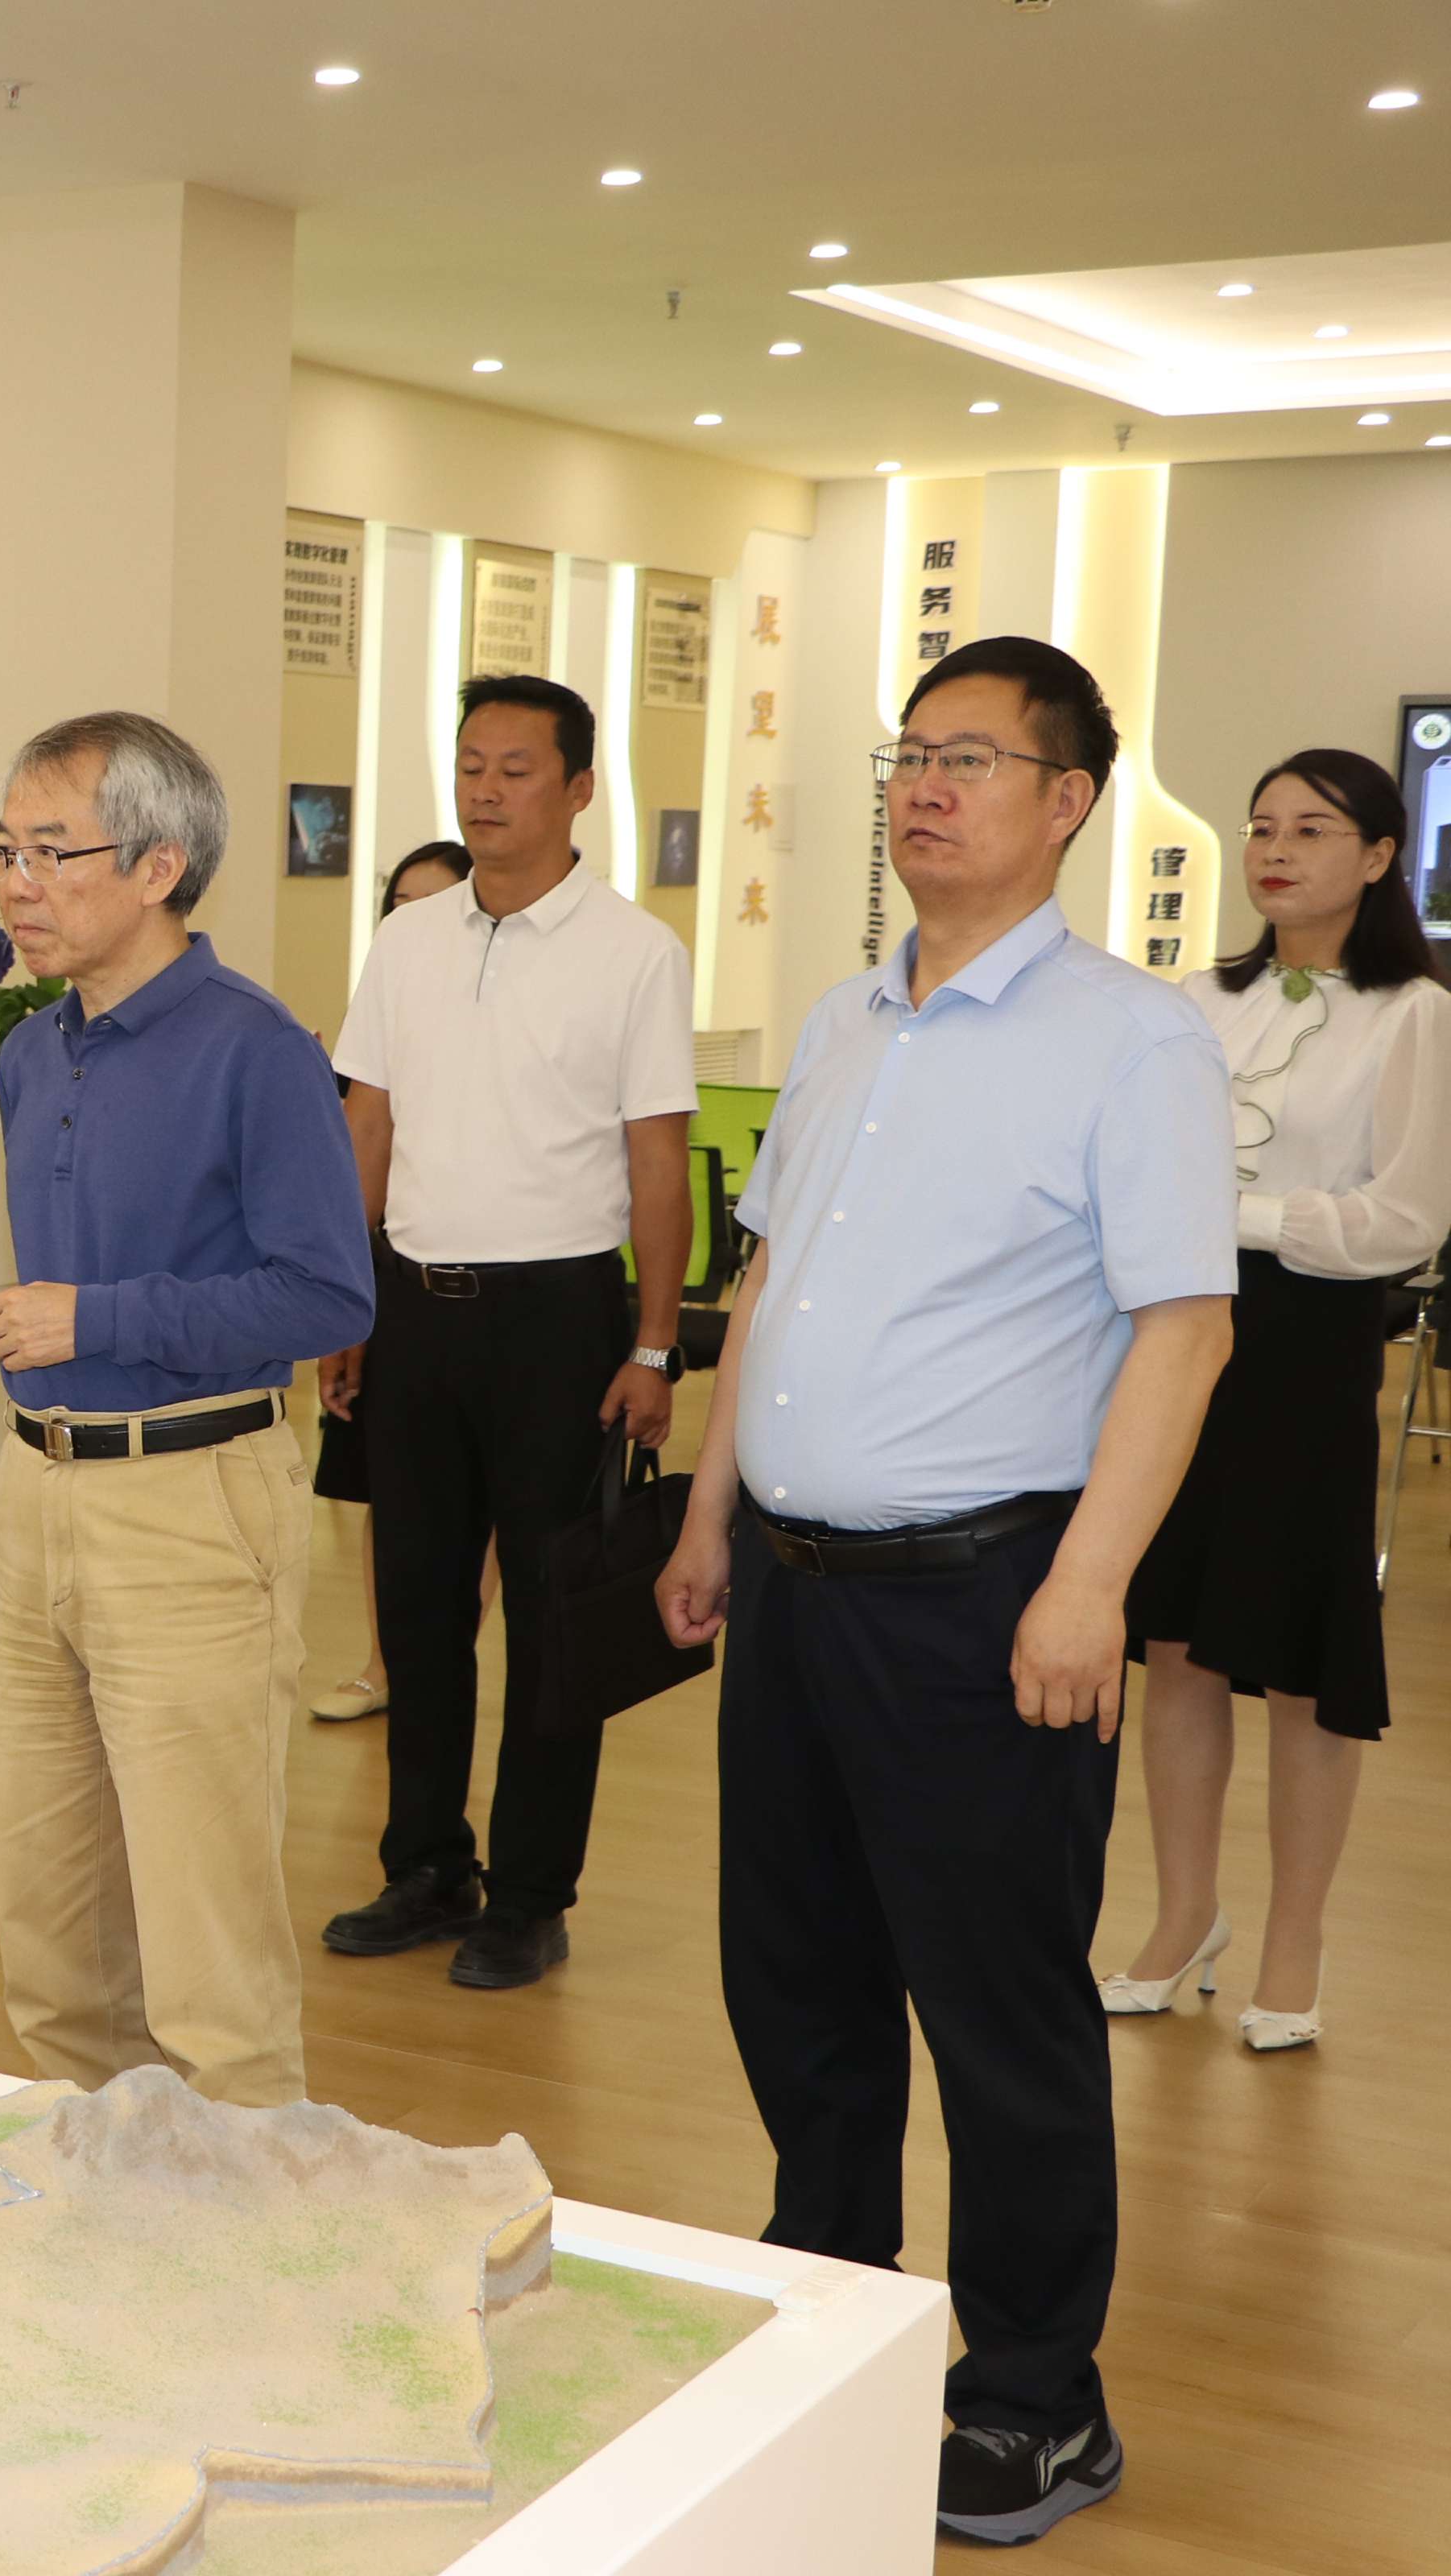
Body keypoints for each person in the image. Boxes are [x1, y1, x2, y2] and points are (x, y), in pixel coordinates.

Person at [655, 635, 1234, 2549]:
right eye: (910, 751)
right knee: (794, 1980)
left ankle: (1033, 2399)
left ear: (1066, 804)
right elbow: (765, 1286)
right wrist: (706, 1512)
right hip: (793, 1592)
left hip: (987, 1601)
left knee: (995, 2014)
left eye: (971, 757)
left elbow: (1184, 1329)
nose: (924, 785)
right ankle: (829, 2308)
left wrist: (1088, 1585)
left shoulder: (1131, 1039)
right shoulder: (845, 1021)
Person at [0, 712, 373, 2105]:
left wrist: (98, 1318)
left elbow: (327, 1295)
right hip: (37, 1490)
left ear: (157, 867)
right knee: (54, 1940)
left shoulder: (255, 1049)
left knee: (209, 1959)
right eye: (2, 853)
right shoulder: (32, 1051)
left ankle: (247, 2213)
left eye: (50, 852)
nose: (16, 885)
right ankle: (100, 2204)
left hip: (193, 1504)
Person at [320, 676, 693, 1988]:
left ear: (580, 788)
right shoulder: (409, 937)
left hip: (559, 1321)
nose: (485, 789)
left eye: (515, 769)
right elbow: (368, 1122)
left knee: (552, 1618)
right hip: (414, 1308)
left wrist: (655, 1345)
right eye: (471, 764)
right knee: (418, 1608)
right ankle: (426, 1867)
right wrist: (346, 1296)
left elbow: (659, 1160)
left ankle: (532, 1896)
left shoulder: (635, 952)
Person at [1107, 748, 1449, 2054]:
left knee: (1303, 1657)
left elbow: (1405, 1221)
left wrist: (1238, 1214)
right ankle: (1182, 1915)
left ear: (1379, 856)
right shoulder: (1194, 1002)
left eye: (1312, 828)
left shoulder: (1415, 1016)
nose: (1276, 850)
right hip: (1179, 1330)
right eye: (1261, 827)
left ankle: (1296, 1939)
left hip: (1309, 1345)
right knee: (1176, 1642)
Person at [310, 840, 477, 1723]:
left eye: (430, 903)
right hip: (381, 1275)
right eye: (397, 904)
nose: (408, 920)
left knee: (479, 1502)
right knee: (390, 1486)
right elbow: (354, 1156)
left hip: (482, 1280)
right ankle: (388, 1664)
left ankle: (444, 1659)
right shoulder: (378, 1010)